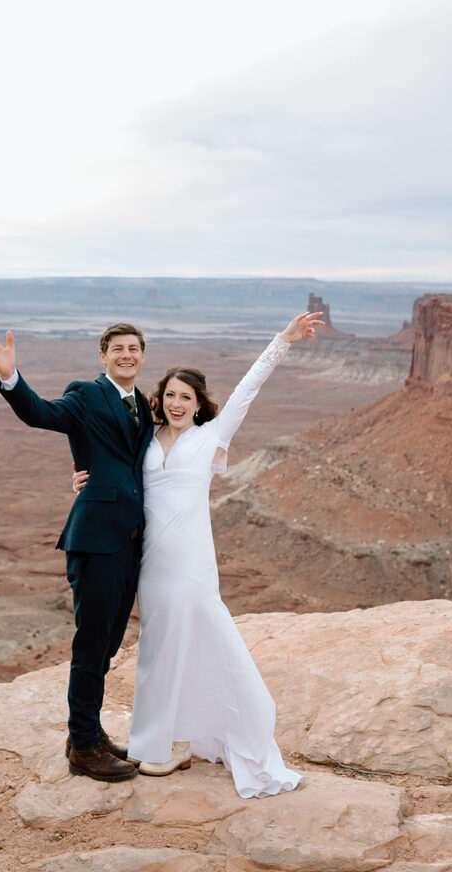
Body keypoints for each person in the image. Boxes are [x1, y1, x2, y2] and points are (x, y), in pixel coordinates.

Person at [72, 311, 323, 798]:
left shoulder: (212, 437)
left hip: (190, 563)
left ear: (199, 404)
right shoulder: (144, 436)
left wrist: (284, 340)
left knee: (194, 640)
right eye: (169, 396)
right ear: (159, 400)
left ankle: (181, 738)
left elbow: (250, 387)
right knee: (157, 649)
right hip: (151, 563)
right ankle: (165, 740)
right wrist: (81, 476)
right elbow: (106, 455)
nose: (177, 403)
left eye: (186, 397)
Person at [0, 322, 154, 783]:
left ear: (143, 355)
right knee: (90, 645)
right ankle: (82, 747)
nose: (126, 355)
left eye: (133, 349)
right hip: (95, 540)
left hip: (129, 544)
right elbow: (41, 413)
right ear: (103, 356)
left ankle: (89, 732)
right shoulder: (86, 394)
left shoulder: (144, 405)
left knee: (108, 645)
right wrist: (11, 378)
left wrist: (89, 472)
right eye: (117, 349)